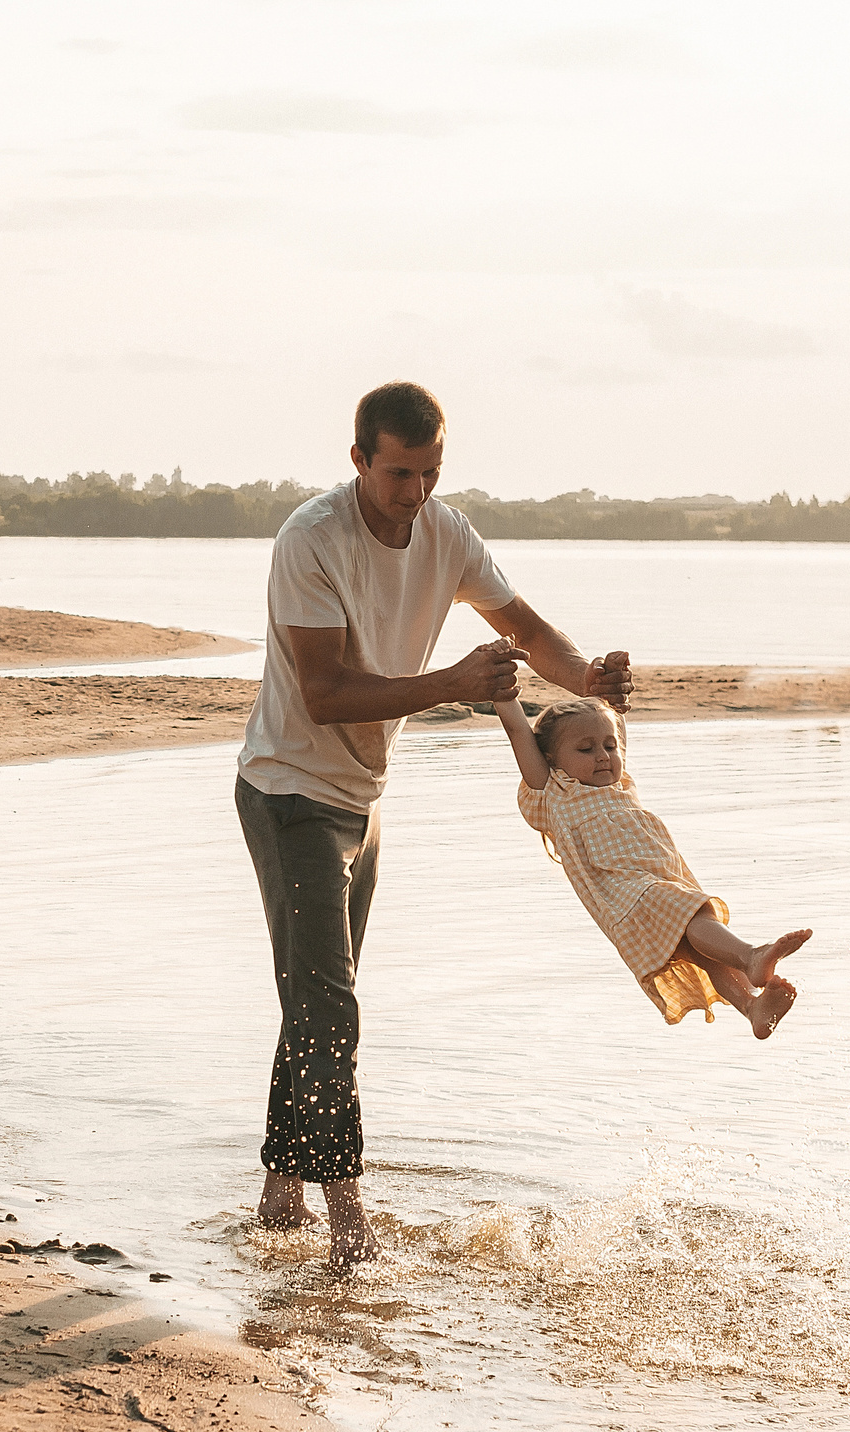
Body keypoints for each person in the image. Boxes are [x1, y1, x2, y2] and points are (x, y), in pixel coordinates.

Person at [236, 381, 634, 1269]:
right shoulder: (311, 539)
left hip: (361, 801)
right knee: (328, 1003)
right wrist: (454, 682)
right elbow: (326, 691)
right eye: (399, 474)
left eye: (430, 473)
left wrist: (587, 678)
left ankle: (278, 1194)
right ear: (360, 462)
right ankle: (348, 1225)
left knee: (314, 996)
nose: (414, 494)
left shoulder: (447, 532)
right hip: (289, 791)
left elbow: (523, 626)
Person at [497, 690, 809, 1037]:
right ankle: (750, 956)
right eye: (586, 749)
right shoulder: (555, 793)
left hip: (662, 877)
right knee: (693, 915)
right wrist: (501, 690)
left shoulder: (621, 784)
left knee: (703, 949)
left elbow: (612, 711)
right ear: (551, 760)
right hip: (625, 896)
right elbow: (518, 732)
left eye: (609, 747)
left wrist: (609, 683)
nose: (603, 757)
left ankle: (751, 1006)